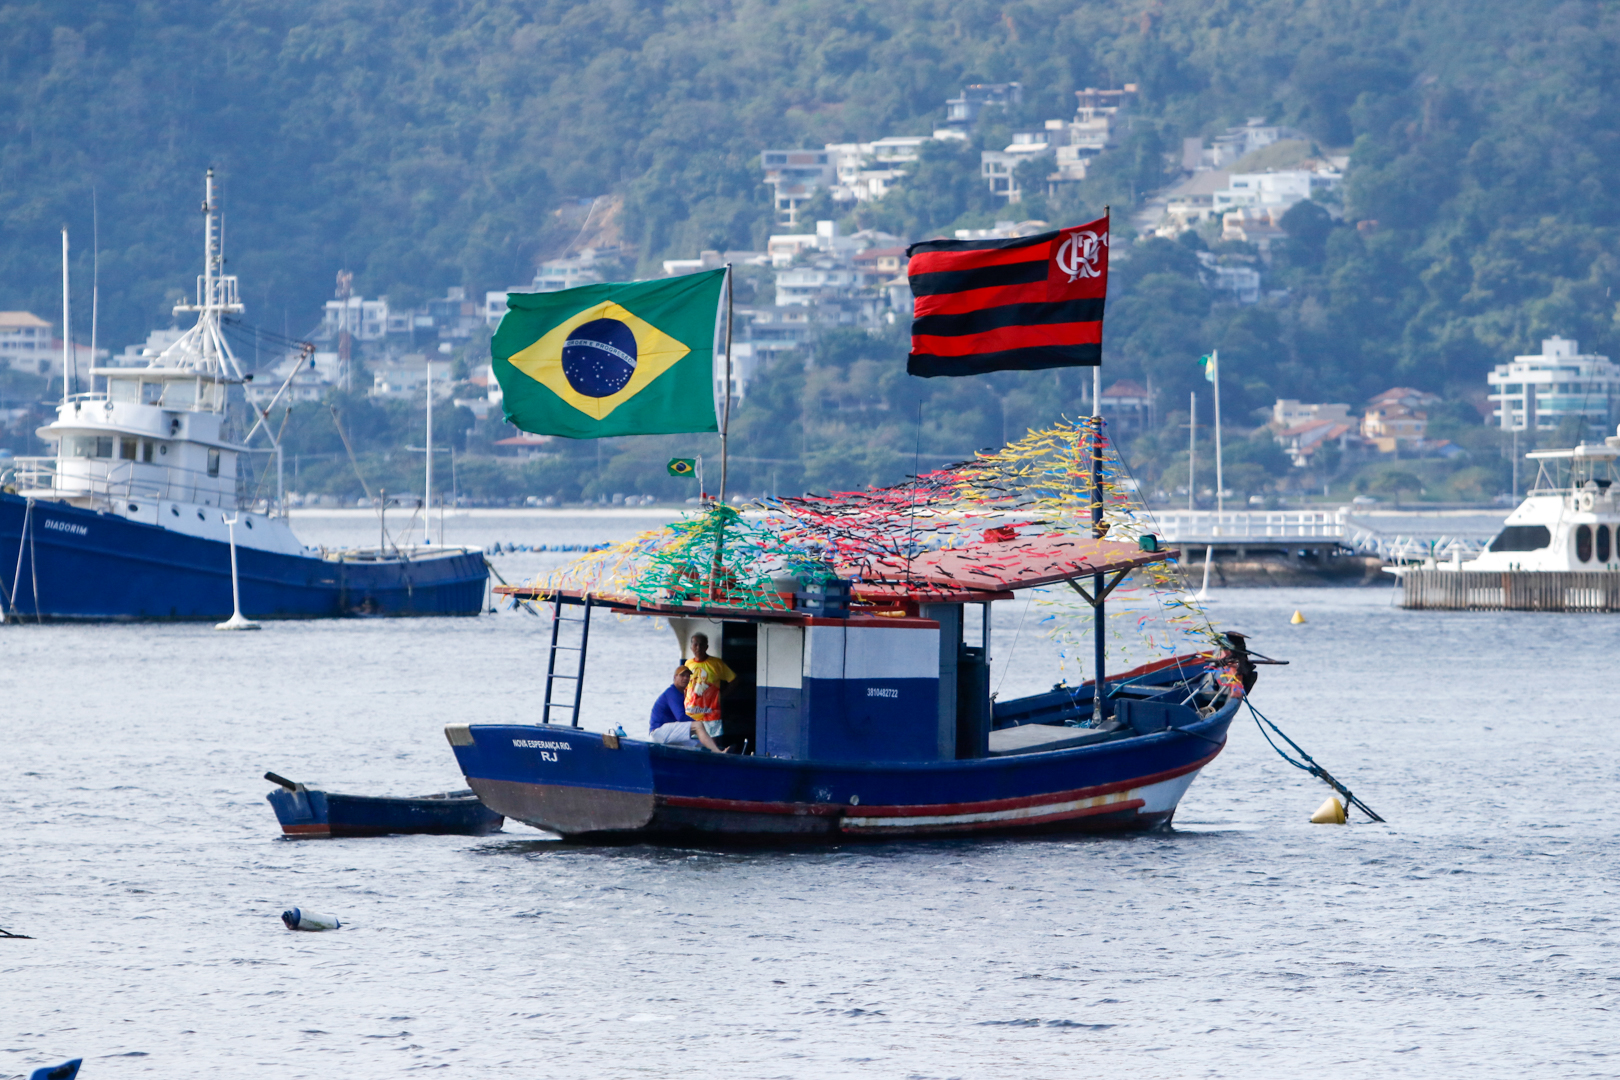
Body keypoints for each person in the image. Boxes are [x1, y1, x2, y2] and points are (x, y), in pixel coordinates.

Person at [648, 664, 722, 751]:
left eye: (688, 676)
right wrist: (698, 723)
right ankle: (718, 752)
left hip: (667, 731)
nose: (685, 678)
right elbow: (681, 717)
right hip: (658, 732)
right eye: (682, 675)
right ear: (675, 677)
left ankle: (713, 753)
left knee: (697, 744)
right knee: (698, 726)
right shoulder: (672, 693)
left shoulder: (681, 693)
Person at [682, 632, 736, 742]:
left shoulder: (716, 663)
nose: (698, 647)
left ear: (706, 647)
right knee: (692, 745)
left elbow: (734, 680)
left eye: (701, 644)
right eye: (695, 644)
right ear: (691, 647)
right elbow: (685, 686)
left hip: (711, 714)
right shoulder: (688, 664)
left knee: (712, 745)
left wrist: (722, 696)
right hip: (691, 713)